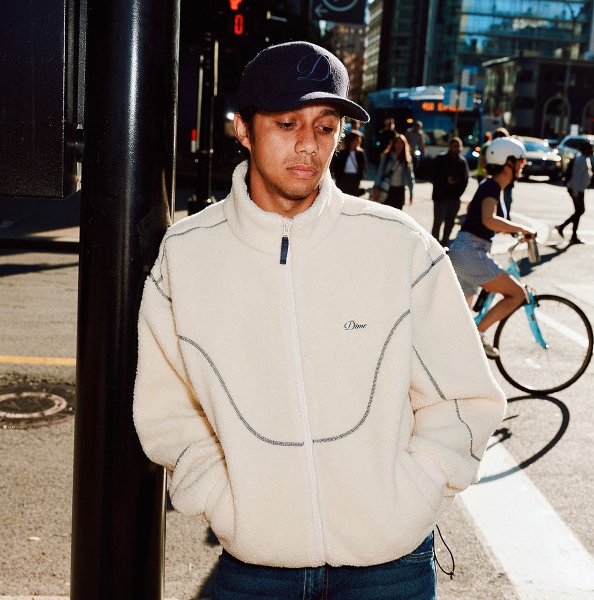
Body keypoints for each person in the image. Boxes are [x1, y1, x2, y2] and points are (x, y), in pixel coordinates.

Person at [133, 40, 506, 600]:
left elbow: (464, 398)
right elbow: (168, 410)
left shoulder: (398, 245)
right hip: (256, 566)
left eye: (325, 127)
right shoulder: (186, 255)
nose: (308, 144)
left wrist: (414, 493)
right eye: (287, 124)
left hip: (390, 566)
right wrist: (222, 500)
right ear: (243, 129)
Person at [448, 137, 536, 359]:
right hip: (471, 252)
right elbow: (488, 219)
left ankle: (455, 357)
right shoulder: (492, 186)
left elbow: (478, 213)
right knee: (517, 294)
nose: (523, 165)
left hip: (465, 250)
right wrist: (522, 228)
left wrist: (510, 231)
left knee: (458, 323)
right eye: (520, 161)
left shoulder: (490, 186)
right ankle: (478, 335)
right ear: (508, 162)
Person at [430, 137, 470, 247]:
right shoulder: (440, 159)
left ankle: (445, 243)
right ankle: (434, 245)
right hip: (440, 197)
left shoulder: (462, 162)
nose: (457, 148)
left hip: (454, 198)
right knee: (438, 222)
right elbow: (433, 176)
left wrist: (457, 186)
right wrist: (445, 180)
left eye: (458, 146)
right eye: (454, 146)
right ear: (450, 147)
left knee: (450, 223)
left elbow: (465, 179)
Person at [556, 140, 592, 245]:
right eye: (589, 148)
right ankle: (570, 233)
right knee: (579, 211)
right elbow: (576, 178)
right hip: (576, 190)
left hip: (579, 190)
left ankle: (565, 230)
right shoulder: (580, 160)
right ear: (585, 149)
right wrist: (575, 194)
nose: (591, 150)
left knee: (579, 211)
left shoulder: (585, 159)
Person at [372, 133, 414, 209]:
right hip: (387, 188)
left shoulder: (406, 159)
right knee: (386, 212)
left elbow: (410, 177)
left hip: (400, 190)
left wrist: (411, 194)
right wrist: (376, 187)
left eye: (401, 143)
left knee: (397, 213)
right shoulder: (387, 156)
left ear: (404, 145)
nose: (399, 145)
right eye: (397, 142)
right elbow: (380, 172)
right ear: (393, 144)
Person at [477, 127, 514, 217]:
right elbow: (483, 163)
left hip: (503, 182)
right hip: (492, 180)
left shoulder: (508, 150)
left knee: (505, 206)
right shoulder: (489, 147)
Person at [331, 129, 366, 196]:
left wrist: (360, 177)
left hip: (355, 179)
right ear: (350, 141)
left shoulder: (360, 153)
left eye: (359, 140)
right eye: (357, 140)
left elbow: (363, 166)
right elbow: (336, 166)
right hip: (343, 179)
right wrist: (337, 176)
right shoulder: (342, 153)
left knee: (353, 198)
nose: (359, 142)